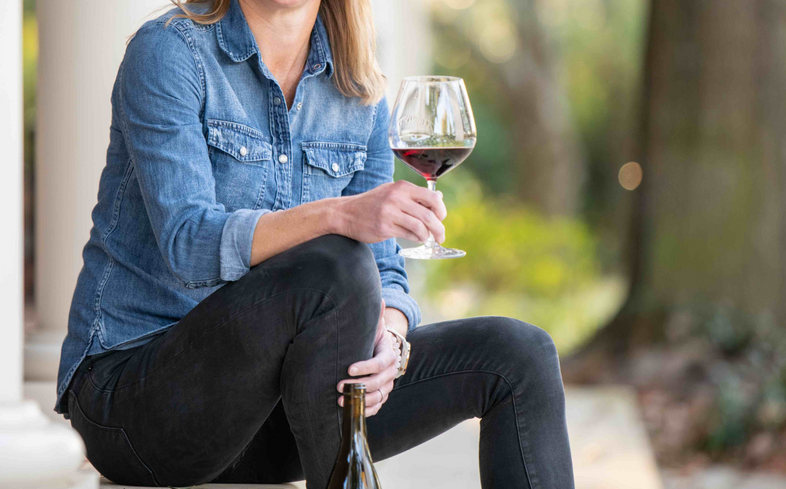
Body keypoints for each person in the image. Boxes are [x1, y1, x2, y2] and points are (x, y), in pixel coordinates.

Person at [54, 0, 574, 487]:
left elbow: (385, 270)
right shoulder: (170, 50)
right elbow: (188, 242)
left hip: (282, 406)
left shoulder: (360, 90)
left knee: (519, 355)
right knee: (335, 261)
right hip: (140, 407)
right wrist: (340, 215)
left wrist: (392, 340)